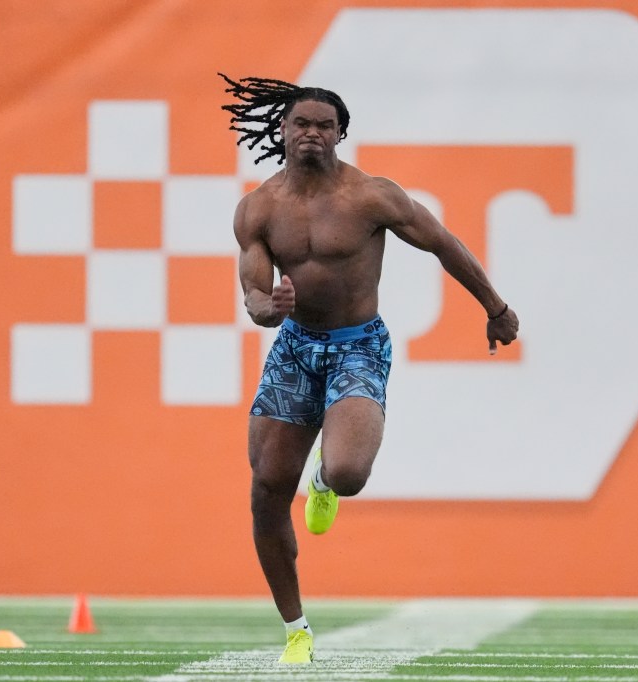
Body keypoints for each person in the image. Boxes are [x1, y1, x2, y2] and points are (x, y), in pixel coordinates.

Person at [219, 74, 519, 664]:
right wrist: (267, 310)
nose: (311, 133)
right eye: (301, 123)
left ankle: (326, 484)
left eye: (323, 126)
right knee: (265, 490)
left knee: (350, 470)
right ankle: (297, 630)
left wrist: (495, 307)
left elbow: (443, 243)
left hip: (358, 344)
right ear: (282, 130)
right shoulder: (257, 209)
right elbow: (253, 294)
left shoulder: (371, 196)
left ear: (340, 135)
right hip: (296, 347)